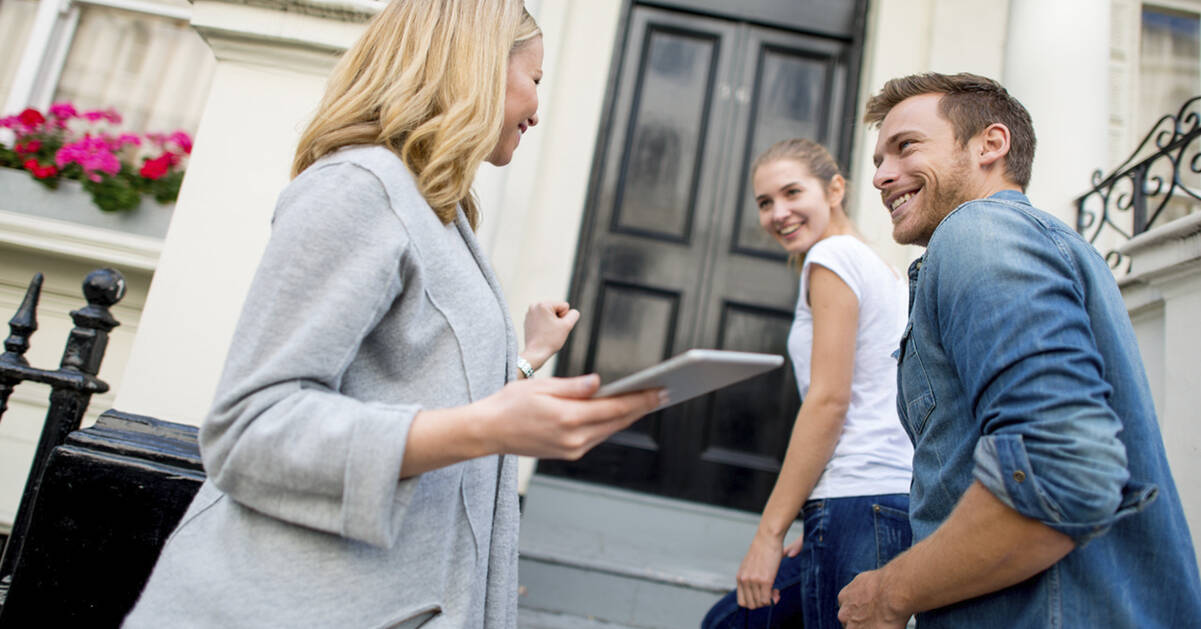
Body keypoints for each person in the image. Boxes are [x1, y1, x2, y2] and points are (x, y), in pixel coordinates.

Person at [122, 2, 660, 627]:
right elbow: (249, 430)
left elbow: (410, 386)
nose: (539, 110)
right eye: (535, 81)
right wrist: (487, 427)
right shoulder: (358, 187)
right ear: (477, 68)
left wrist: (521, 362)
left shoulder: (436, 207)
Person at [837, 72, 1201, 628]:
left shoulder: (980, 234)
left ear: (990, 143)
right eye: (878, 161)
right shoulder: (1044, 243)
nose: (882, 176)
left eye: (905, 146)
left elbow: (1063, 470)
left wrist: (891, 592)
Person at [701, 138, 914, 629]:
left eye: (792, 193)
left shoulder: (833, 258)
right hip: (878, 501)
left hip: (858, 496)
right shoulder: (881, 268)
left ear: (834, 189)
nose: (779, 212)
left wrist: (770, 533)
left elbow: (829, 400)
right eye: (765, 202)